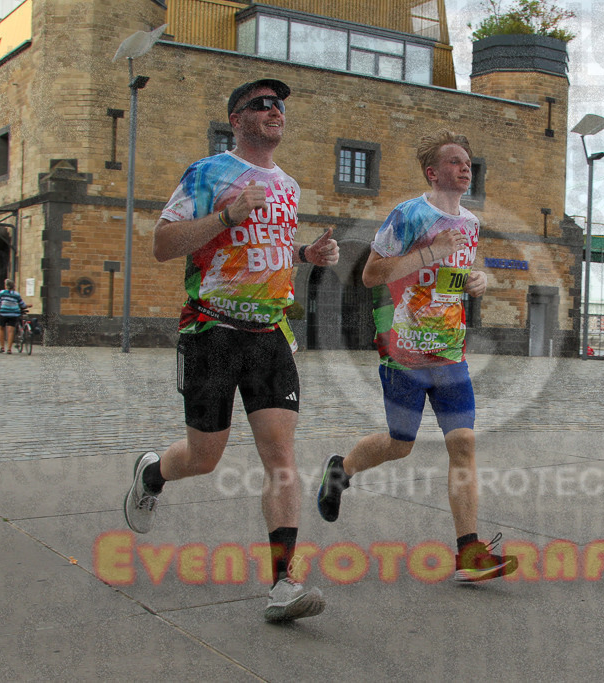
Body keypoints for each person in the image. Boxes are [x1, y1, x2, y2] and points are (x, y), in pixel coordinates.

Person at [122, 78, 339, 623]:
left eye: (281, 105)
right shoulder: (208, 173)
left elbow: (265, 249)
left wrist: (306, 253)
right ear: (237, 119)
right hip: (211, 330)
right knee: (204, 456)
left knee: (281, 457)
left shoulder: (287, 185)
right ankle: (153, 474)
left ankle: (283, 583)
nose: (275, 112)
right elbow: (161, 245)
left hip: (269, 334)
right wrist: (226, 215)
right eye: (262, 105)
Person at [315, 129, 517, 583]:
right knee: (399, 445)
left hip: (449, 352)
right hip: (403, 352)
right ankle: (340, 470)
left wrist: (474, 282)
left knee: (462, 443)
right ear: (432, 172)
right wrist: (427, 252)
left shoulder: (470, 224)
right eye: (454, 162)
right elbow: (370, 275)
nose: (464, 168)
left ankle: (469, 553)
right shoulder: (407, 215)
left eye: (468, 163)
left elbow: (451, 278)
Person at [0, 279, 27, 354]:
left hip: (3, 313)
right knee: (11, 331)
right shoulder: (16, 294)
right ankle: (9, 349)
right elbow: (22, 304)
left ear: (6, 286)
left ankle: (2, 347)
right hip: (13, 314)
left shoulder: (2, 293)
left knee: (1, 328)